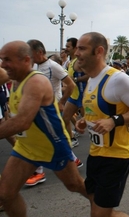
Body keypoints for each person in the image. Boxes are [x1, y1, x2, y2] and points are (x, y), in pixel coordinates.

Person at [0, 41, 88, 216]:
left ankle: (105, 208)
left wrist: (62, 101)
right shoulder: (14, 76)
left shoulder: (36, 81)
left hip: (52, 145)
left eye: (7, 60)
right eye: (2, 59)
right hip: (26, 147)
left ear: (26, 60)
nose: (3, 64)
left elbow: (23, 121)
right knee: (6, 194)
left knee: (75, 185)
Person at [74, 32, 129, 216]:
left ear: (98, 51)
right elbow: (97, 109)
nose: (76, 53)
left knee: (99, 213)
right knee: (96, 205)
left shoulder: (118, 79)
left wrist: (113, 121)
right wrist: (84, 121)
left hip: (117, 155)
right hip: (96, 152)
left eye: (82, 48)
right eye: (76, 48)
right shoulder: (92, 79)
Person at [27, 39, 77, 186]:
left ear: (40, 52)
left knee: (53, 138)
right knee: (40, 138)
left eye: (30, 53)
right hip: (37, 109)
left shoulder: (53, 66)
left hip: (51, 109)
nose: (28, 56)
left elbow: (71, 84)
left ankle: (40, 171)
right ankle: (71, 159)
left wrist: (62, 102)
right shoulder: (34, 66)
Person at [62, 37, 89, 152]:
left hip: (82, 96)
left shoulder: (79, 62)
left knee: (91, 122)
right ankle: (71, 140)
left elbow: (89, 75)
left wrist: (76, 79)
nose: (66, 49)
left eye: (68, 47)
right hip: (73, 96)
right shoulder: (71, 62)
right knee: (64, 118)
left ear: (75, 48)